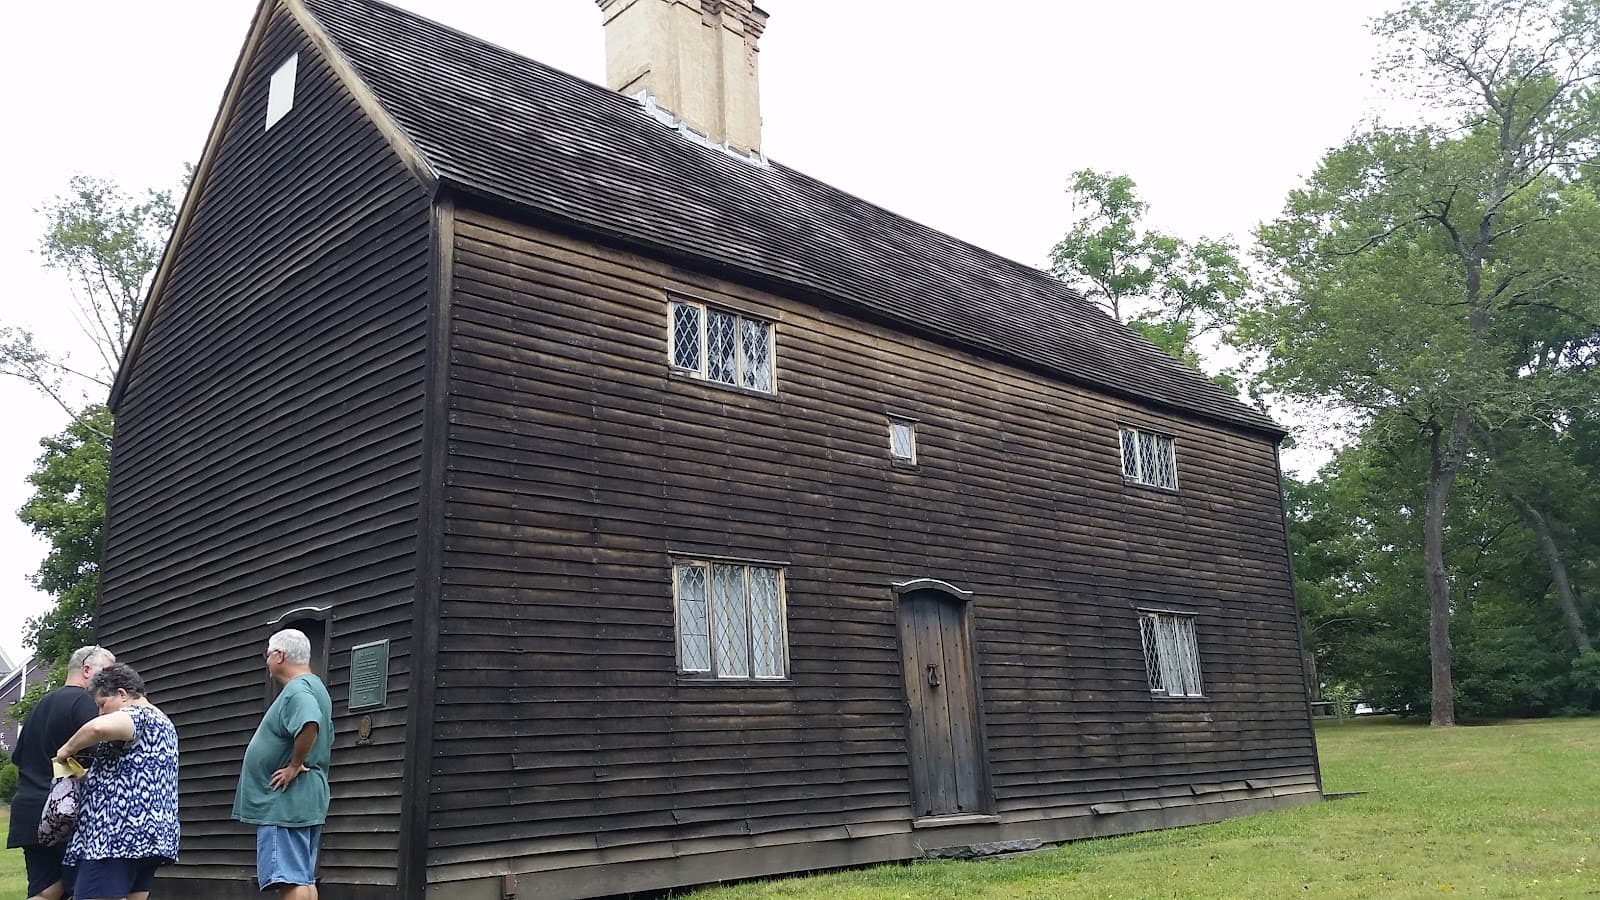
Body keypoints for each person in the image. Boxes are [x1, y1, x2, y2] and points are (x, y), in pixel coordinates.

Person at [54, 662, 180, 900]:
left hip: (117, 837)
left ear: (122, 694)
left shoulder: (138, 715)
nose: (100, 712)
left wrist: (66, 750)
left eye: (102, 704)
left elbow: (98, 728)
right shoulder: (163, 722)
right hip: (150, 835)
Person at [7, 645, 116, 900]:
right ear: (87, 670)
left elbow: (19, 758)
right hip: (64, 813)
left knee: (45, 891)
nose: (112, 683)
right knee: (90, 887)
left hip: (29, 811)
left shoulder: (40, 706)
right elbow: (106, 751)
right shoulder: (85, 703)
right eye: (108, 673)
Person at [232, 629, 333, 899]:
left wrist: (293, 765)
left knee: (290, 879)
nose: (267, 662)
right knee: (303, 879)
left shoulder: (297, 690)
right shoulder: (315, 687)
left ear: (279, 656)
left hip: (285, 801)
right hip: (304, 798)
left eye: (267, 655)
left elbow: (309, 722)